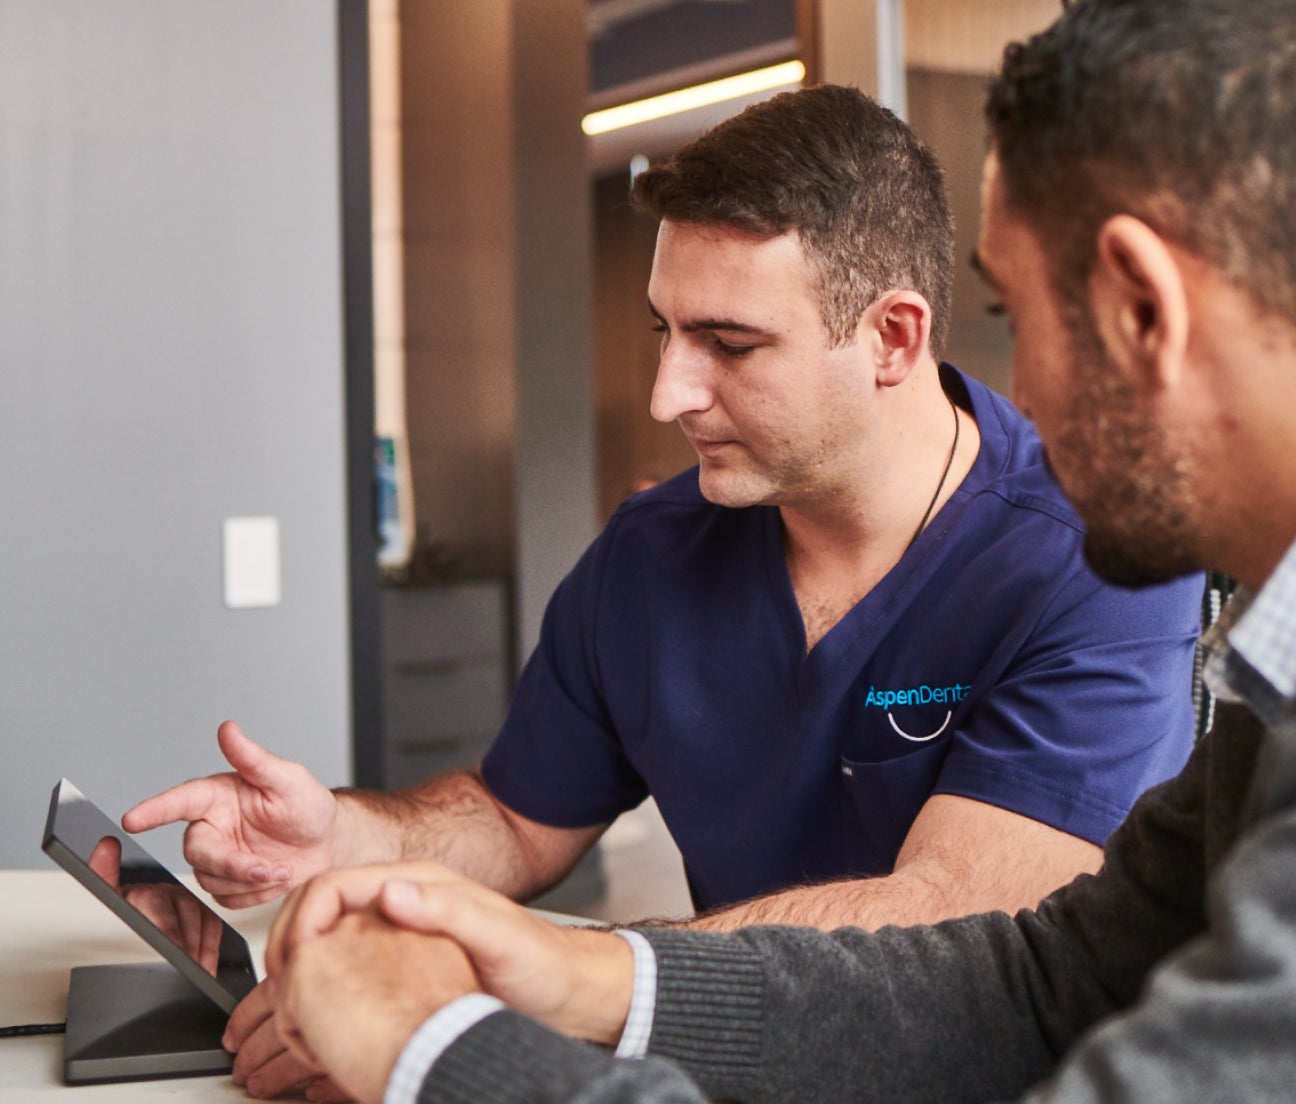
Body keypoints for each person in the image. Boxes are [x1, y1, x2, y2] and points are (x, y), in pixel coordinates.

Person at [259, 0, 1296, 1104]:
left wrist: (437, 1054)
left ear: (1142, 304)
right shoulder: (1272, 706)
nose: (1011, 379)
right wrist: (582, 975)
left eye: (1013, 312)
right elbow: (1042, 975)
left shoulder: (1075, 562)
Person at [126, 87, 1199, 940]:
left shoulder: (1097, 558)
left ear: (892, 339)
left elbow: (953, 915)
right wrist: (341, 840)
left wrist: (561, 973)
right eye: (663, 334)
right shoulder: (652, 556)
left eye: (729, 346)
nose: (668, 395)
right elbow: (511, 823)